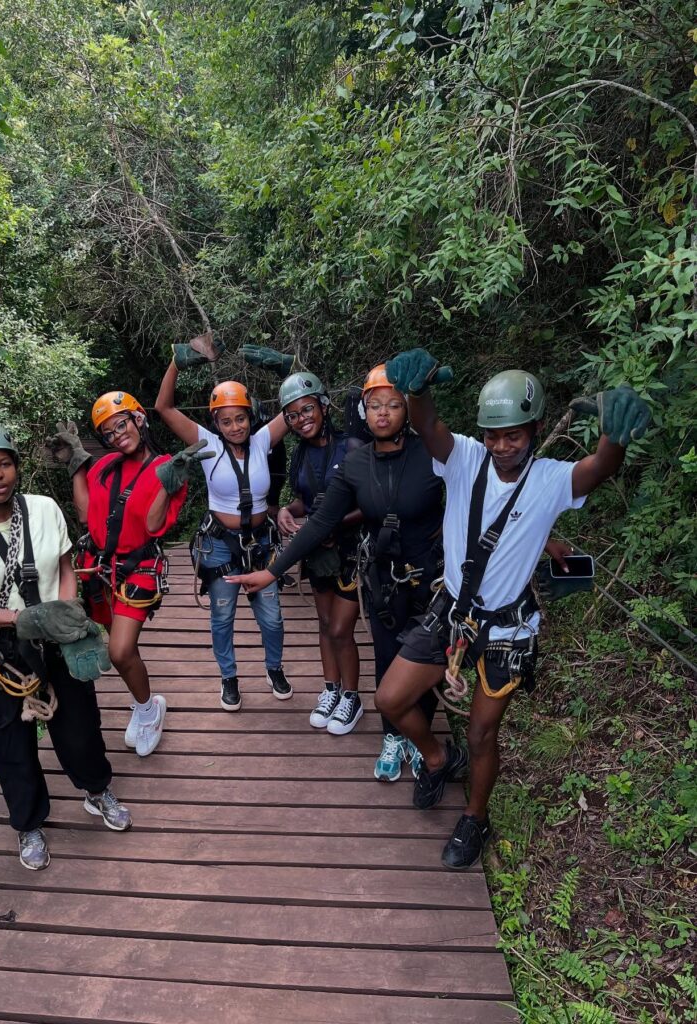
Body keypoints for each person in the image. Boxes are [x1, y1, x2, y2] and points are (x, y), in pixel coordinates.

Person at [376, 348, 650, 869]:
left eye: (514, 435)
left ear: (537, 428)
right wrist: (416, 392)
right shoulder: (462, 458)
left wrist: (614, 435)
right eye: (493, 435)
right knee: (390, 700)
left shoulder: (550, 479)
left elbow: (599, 469)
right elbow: (428, 423)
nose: (501, 447)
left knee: (482, 731)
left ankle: (475, 819)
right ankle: (438, 759)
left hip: (507, 626)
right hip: (454, 609)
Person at [227, 364, 445, 781]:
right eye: (374, 405)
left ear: (408, 409)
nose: (383, 413)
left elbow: (483, 492)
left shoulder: (435, 455)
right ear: (363, 410)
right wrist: (272, 571)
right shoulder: (357, 463)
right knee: (385, 656)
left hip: (430, 578)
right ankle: (392, 736)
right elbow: (321, 518)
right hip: (382, 575)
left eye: (394, 404)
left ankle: (420, 739)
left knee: (423, 660)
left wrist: (539, 538)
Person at [0, 424, 132, 871]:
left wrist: (65, 612)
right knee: (11, 743)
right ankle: (28, 824)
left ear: (17, 468)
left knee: (80, 724)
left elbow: (64, 565)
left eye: (4, 464)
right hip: (0, 646)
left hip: (54, 633)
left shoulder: (43, 510)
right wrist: (17, 618)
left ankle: (96, 790)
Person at [47, 391, 205, 757]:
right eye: (109, 433)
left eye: (123, 424)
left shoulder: (168, 465)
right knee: (120, 645)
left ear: (139, 419)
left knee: (119, 651)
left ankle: (149, 709)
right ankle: (144, 701)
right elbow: (87, 515)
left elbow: (152, 525)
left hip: (140, 568)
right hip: (102, 569)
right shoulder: (104, 466)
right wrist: (76, 468)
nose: (119, 435)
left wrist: (168, 483)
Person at [154, 351, 293, 711]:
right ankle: (229, 678)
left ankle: (273, 669)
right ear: (216, 423)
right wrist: (176, 363)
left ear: (250, 417)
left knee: (272, 617)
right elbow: (164, 409)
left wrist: (286, 369)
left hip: (261, 544)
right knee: (222, 616)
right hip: (219, 545)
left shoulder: (263, 441)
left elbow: (297, 399)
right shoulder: (209, 445)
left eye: (241, 418)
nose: (235, 427)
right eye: (227, 421)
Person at [273, 370, 365, 735]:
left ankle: (352, 696)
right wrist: (286, 511)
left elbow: (370, 502)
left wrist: (333, 524)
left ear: (323, 407)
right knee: (325, 625)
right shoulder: (300, 456)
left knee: (342, 628)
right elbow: (303, 500)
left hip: (350, 549)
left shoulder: (352, 448)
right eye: (293, 415)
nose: (301, 419)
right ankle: (332, 689)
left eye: (307, 409)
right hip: (319, 552)